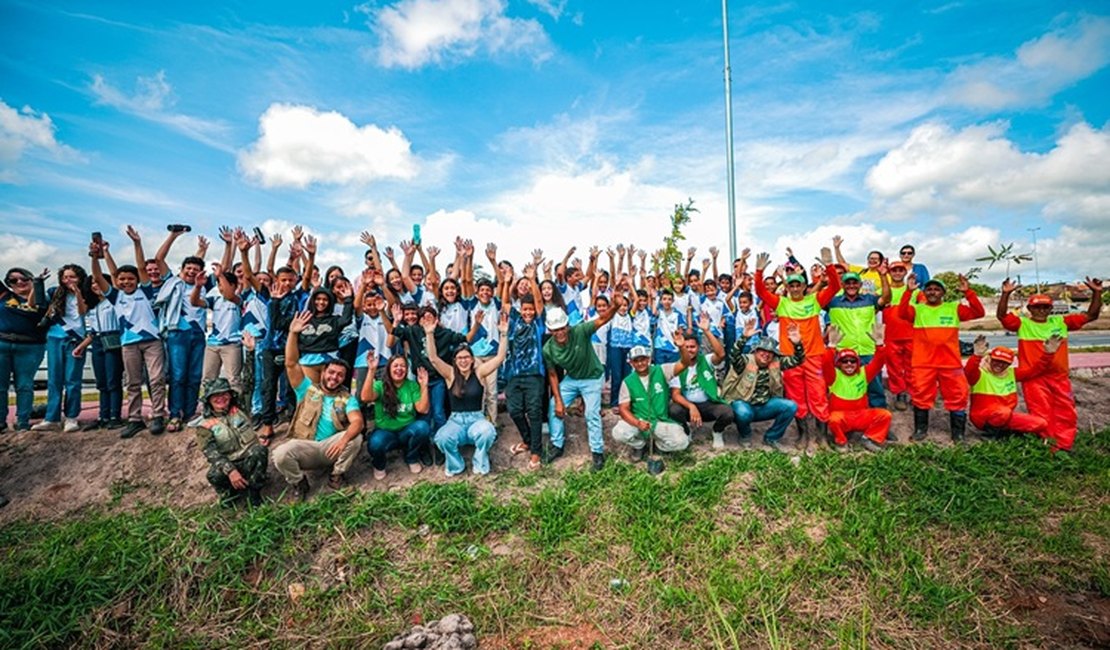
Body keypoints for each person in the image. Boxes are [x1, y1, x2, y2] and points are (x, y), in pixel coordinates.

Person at [996, 277, 1103, 452]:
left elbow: (1092, 315)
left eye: (1045, 307)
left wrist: (1097, 293)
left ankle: (1065, 445)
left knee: (1066, 411)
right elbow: (1002, 316)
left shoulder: (1061, 322)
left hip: (1059, 377)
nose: (1041, 310)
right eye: (1037, 306)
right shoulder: (1022, 323)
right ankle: (1049, 446)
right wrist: (1005, 294)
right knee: (1041, 413)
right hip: (1034, 378)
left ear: (1051, 309)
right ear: (1029, 309)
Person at [272, 311, 364, 500]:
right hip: (306, 446)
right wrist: (293, 333)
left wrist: (343, 440)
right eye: (331, 373)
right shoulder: (306, 389)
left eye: (340, 375)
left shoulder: (347, 398)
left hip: (332, 448)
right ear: (323, 373)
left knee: (356, 437)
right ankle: (299, 483)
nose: (334, 377)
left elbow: (357, 421)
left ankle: (336, 475)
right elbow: (291, 364)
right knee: (280, 454)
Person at [754, 249, 840, 449]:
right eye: (791, 284)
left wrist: (829, 266)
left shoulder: (814, 300)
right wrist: (759, 272)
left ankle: (822, 437)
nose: (794, 288)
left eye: (798, 284)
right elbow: (760, 292)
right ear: (787, 286)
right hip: (790, 358)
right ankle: (804, 435)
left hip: (813, 356)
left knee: (818, 396)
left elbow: (835, 286)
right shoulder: (782, 303)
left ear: (803, 285)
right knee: (796, 398)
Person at [90, 231, 168, 439]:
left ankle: (158, 415)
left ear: (137, 279)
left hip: (152, 342)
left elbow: (141, 267)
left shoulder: (146, 291)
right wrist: (95, 257)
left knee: (156, 379)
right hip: (129, 343)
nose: (126, 282)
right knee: (133, 382)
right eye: (122, 279)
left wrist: (137, 243)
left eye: (130, 278)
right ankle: (135, 419)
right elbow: (98, 276)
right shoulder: (116, 296)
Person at [898, 274, 985, 442]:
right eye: (929, 289)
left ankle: (957, 434)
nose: (932, 292)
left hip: (950, 363)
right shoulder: (918, 309)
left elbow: (978, 312)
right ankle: (920, 430)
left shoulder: (954, 308)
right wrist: (908, 292)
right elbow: (902, 312)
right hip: (923, 363)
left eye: (937, 289)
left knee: (958, 396)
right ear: (924, 292)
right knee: (921, 396)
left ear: (943, 292)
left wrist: (969, 292)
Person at [543, 294, 623, 471]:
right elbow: (553, 375)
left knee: (592, 413)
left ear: (567, 325)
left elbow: (602, 320)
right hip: (572, 379)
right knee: (553, 406)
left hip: (592, 377)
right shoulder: (548, 349)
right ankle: (557, 444)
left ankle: (597, 452)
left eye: (562, 328)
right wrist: (558, 400)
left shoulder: (580, 331)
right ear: (550, 331)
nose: (560, 332)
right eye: (555, 330)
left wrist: (615, 306)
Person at [425, 310, 509, 476]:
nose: (463, 361)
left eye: (466, 357)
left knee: (488, 432)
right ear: (455, 361)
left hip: (476, 419)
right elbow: (433, 358)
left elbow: (500, 358)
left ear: (472, 359)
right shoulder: (450, 374)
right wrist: (429, 333)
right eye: (459, 358)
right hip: (456, 421)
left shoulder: (479, 372)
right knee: (441, 437)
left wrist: (504, 334)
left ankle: (480, 461)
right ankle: (456, 465)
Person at [719, 322, 806, 452]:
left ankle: (772, 438)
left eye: (770, 352)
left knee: (791, 406)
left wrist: (797, 344)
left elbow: (798, 360)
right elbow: (734, 356)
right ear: (755, 351)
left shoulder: (776, 362)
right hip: (743, 404)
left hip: (765, 406)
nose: (766, 354)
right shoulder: (745, 361)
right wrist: (743, 338)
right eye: (762, 351)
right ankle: (745, 435)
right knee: (743, 413)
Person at [964, 334, 1061, 440]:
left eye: (1004, 363)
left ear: (1009, 364)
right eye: (996, 360)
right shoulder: (980, 373)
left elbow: (1034, 371)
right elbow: (969, 372)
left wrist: (1048, 354)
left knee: (1041, 423)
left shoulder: (1011, 373)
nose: (1000, 365)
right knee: (1003, 412)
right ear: (990, 358)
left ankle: (1004, 434)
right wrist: (977, 356)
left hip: (1005, 416)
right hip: (983, 417)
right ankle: (989, 437)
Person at [190, 377, 268, 507]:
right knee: (214, 475)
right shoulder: (204, 424)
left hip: (248, 459)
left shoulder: (241, 407)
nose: (220, 398)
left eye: (224, 393)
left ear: (230, 395)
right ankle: (230, 495)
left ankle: (254, 494)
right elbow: (211, 453)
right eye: (215, 395)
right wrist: (230, 471)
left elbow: (249, 380)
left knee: (259, 451)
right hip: (229, 464)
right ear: (208, 400)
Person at [32, 264, 89, 432]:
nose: (68, 280)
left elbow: (82, 312)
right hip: (55, 337)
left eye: (72, 277)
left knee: (73, 380)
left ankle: (71, 417)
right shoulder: (55, 292)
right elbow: (35, 303)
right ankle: (51, 418)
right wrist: (38, 283)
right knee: (54, 380)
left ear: (80, 278)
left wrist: (78, 293)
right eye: (65, 277)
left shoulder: (87, 293)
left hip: (76, 340)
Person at [826, 268, 891, 412]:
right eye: (847, 283)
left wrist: (883, 275)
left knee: (876, 388)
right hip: (844, 353)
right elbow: (813, 298)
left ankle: (880, 420)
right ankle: (846, 421)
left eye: (854, 282)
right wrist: (823, 279)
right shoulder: (832, 302)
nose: (851, 285)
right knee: (844, 389)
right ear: (842, 285)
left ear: (860, 284)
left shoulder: (870, 299)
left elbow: (886, 298)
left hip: (868, 350)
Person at [666, 313, 735, 448]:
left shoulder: (706, 360)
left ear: (698, 348)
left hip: (708, 404)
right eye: (686, 347)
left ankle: (717, 432)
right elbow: (675, 395)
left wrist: (707, 331)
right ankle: (686, 429)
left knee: (728, 413)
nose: (689, 350)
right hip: (688, 406)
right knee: (673, 410)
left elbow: (721, 354)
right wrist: (691, 407)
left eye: (692, 347)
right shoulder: (677, 366)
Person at [612, 344, 689, 462]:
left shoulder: (661, 370)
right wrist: (638, 423)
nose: (640, 363)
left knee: (682, 442)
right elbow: (623, 409)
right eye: (636, 361)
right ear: (631, 363)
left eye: (642, 359)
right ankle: (639, 445)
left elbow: (684, 363)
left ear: (648, 359)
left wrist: (682, 347)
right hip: (639, 422)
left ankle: (660, 446)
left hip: (659, 422)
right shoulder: (627, 382)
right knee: (618, 432)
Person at [361, 355, 432, 480]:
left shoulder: (411, 385)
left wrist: (423, 386)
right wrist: (371, 370)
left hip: (406, 431)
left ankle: (411, 457)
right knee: (375, 443)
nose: (399, 368)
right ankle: (379, 465)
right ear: (389, 369)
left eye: (403, 366)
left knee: (423, 427)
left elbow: (423, 409)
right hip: (385, 432)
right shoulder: (380, 385)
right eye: (396, 365)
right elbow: (365, 398)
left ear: (407, 369)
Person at [823, 323, 890, 452]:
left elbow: (879, 362)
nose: (849, 364)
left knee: (885, 415)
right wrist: (831, 346)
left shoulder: (863, 373)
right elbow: (825, 363)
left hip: (860, 415)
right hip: (841, 418)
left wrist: (880, 343)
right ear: (839, 364)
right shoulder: (833, 375)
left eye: (852, 361)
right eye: (845, 361)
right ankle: (841, 442)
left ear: (857, 363)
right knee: (833, 419)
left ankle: (870, 439)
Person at [503, 292, 547, 471]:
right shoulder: (514, 321)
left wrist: (532, 278)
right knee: (514, 410)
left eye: (531, 309)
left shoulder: (538, 323)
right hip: (514, 375)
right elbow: (505, 302)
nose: (528, 312)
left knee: (534, 412)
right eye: (525, 309)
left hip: (534, 375)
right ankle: (528, 441)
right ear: (520, 309)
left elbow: (539, 302)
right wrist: (506, 282)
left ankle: (536, 451)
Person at [0, 266, 47, 432]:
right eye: (13, 280)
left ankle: (23, 421)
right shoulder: (4, 296)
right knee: (1, 386)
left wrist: (38, 284)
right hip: (2, 344)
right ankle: (0, 421)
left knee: (24, 385)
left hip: (30, 347)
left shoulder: (42, 298)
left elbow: (38, 307)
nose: (19, 282)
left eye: (24, 278)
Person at [882, 261, 916, 411]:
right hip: (891, 335)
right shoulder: (884, 291)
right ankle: (900, 394)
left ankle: (914, 394)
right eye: (894, 270)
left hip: (911, 334)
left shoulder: (914, 291)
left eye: (900, 270)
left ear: (905, 272)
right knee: (894, 367)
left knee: (912, 366)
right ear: (889, 273)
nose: (897, 273)